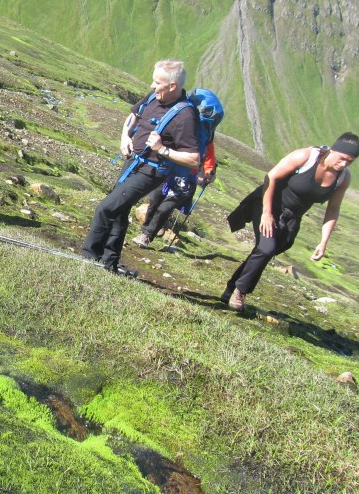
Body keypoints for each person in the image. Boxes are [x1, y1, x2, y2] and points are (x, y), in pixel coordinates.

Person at [82, 59, 200, 275]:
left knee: (106, 208)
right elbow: (134, 115)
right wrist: (125, 137)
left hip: (151, 171)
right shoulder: (154, 97)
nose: (152, 87)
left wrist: (162, 149)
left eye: (157, 83)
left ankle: (89, 258)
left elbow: (194, 159)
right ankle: (109, 263)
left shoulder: (185, 115)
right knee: (118, 211)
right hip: (132, 161)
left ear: (173, 86)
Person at [223, 133, 357, 311]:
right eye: (342, 158)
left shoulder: (342, 178)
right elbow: (271, 177)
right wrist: (267, 213)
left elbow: (333, 210)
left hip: (292, 217)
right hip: (267, 203)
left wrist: (323, 242)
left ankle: (231, 287)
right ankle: (240, 292)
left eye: (350, 161)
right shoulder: (305, 157)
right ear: (333, 150)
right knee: (266, 249)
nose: (344, 164)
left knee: (264, 252)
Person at [132, 143, 216, 248]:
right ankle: (145, 230)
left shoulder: (207, 139)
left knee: (164, 209)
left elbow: (209, 159)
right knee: (154, 201)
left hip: (185, 182)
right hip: (166, 173)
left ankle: (147, 236)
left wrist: (208, 171)